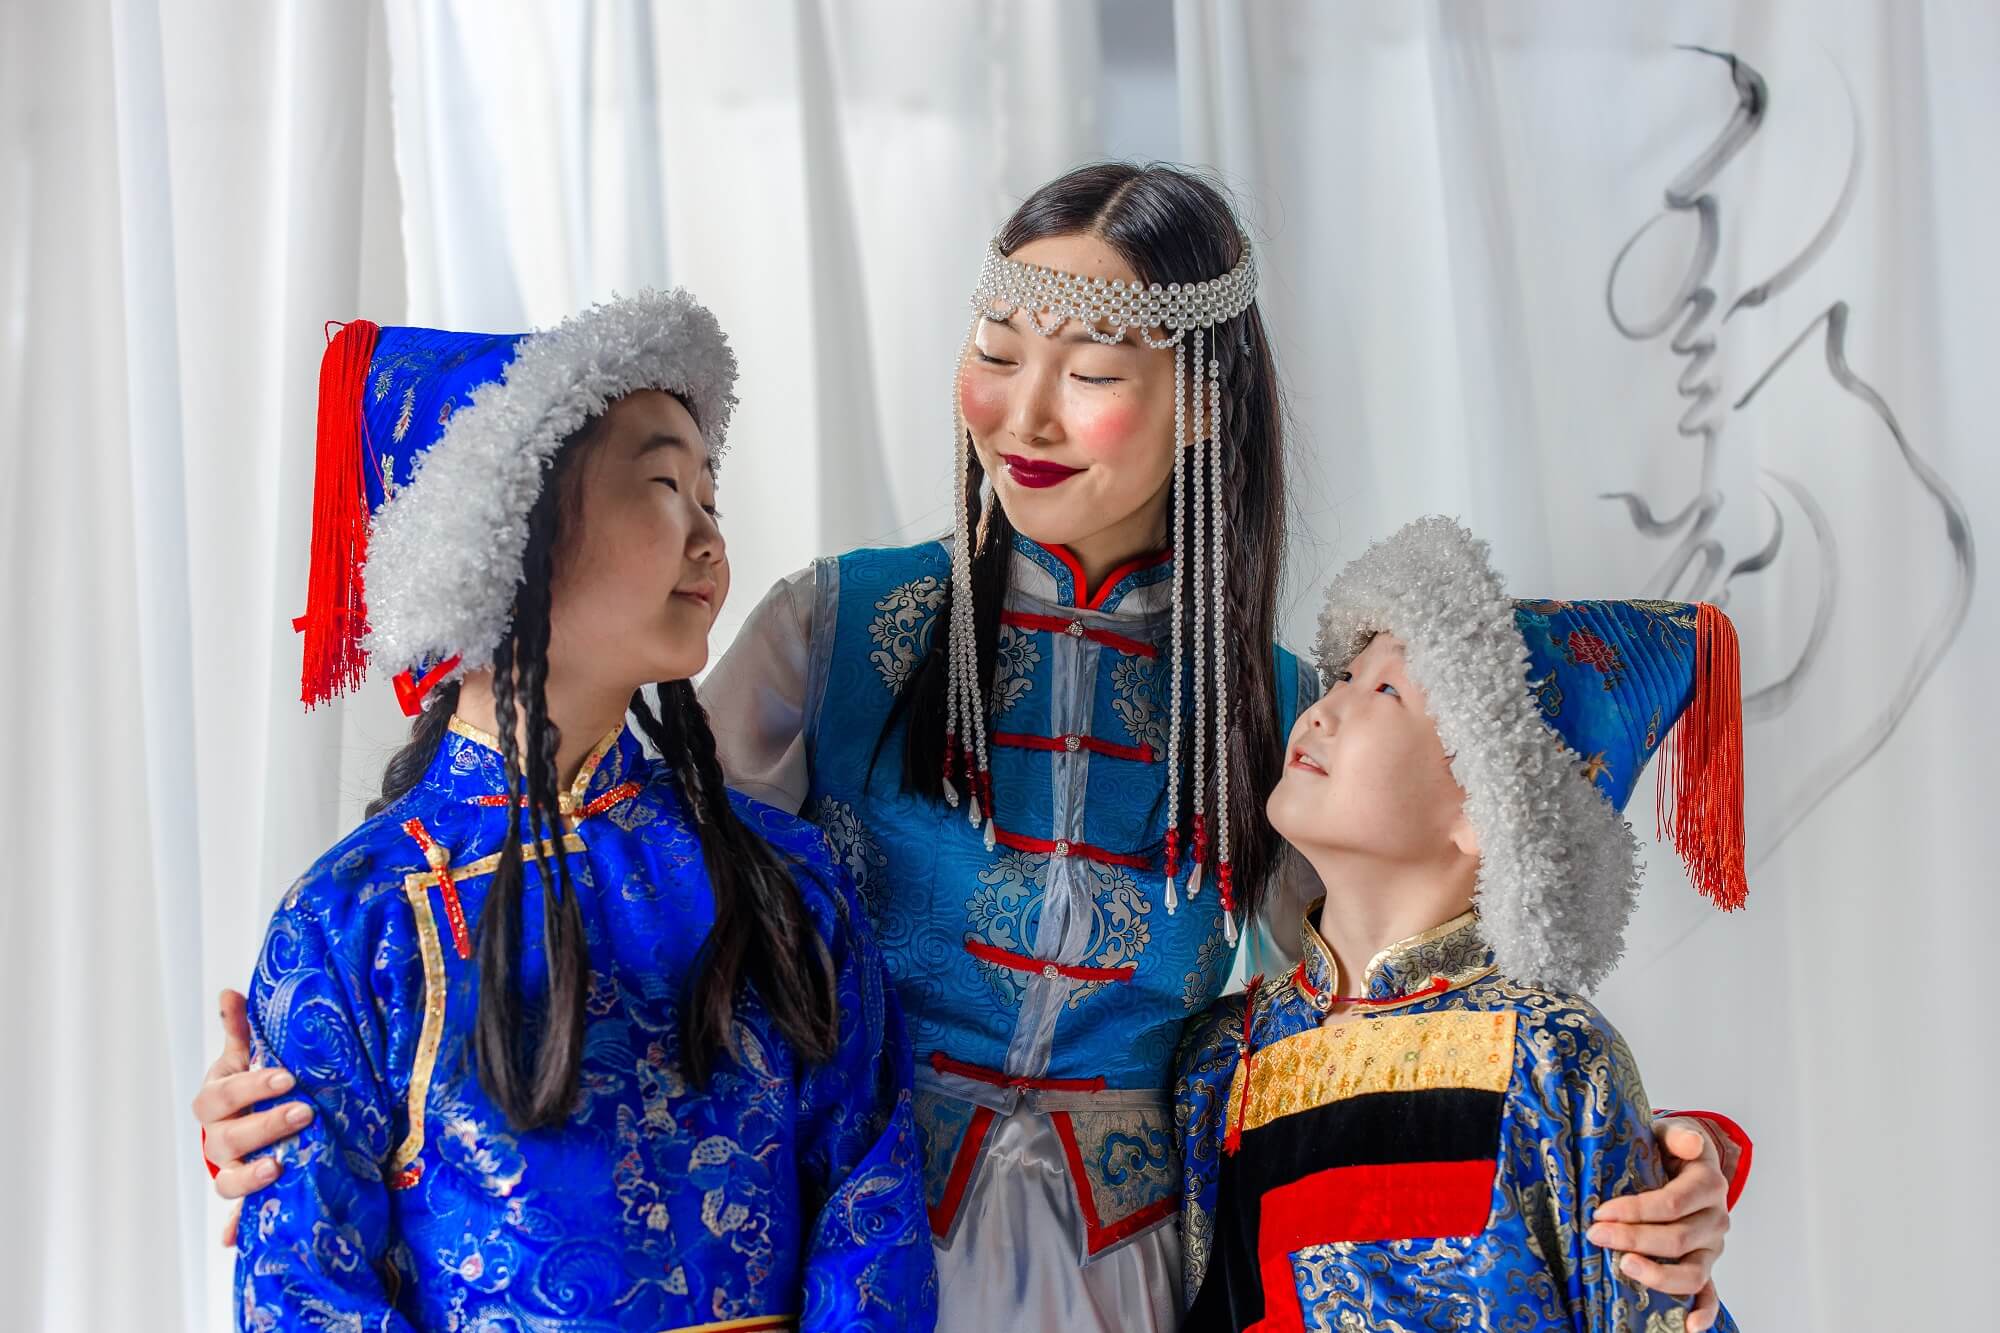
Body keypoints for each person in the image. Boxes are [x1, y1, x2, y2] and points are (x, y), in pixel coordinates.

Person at [200, 164, 1738, 1331]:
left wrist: (1653, 1157)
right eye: (1000, 348)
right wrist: (318, 1074)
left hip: (1134, 1262)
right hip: (870, 1242)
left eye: (1094, 372)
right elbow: (634, 906)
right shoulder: (839, 627)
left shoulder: (1277, 705)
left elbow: (1398, 995)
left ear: (1203, 408)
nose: (1028, 410)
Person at [230, 292, 934, 1330]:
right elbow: (304, 1291)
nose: (707, 538)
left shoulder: (780, 880)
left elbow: (870, 1213)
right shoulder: (355, 918)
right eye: (661, 485)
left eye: (711, 496)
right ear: (504, 530)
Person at [1176, 515, 1750, 1331]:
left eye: (1385, 690)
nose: (1320, 709)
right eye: (1342, 675)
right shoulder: (1219, 1061)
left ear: (1492, 808)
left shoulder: (1554, 1054)